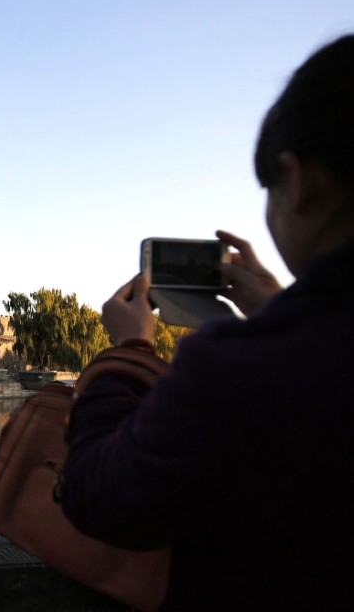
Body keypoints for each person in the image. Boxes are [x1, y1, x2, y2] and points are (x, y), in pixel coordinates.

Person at [61, 34, 354, 610]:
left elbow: (101, 495)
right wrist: (280, 309)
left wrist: (128, 352)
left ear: (300, 181)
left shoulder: (240, 366)